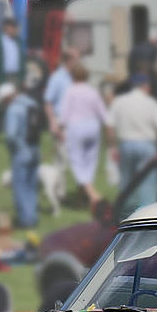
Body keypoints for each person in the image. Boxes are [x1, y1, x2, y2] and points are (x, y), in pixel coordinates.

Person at [105, 72, 157, 207]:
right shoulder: (151, 103)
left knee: (126, 182)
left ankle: (125, 210)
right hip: (147, 145)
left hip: (126, 144)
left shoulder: (119, 102)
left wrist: (112, 146)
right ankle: (146, 213)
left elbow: (109, 127)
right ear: (145, 86)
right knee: (147, 182)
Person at [56, 62, 107, 209]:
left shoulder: (70, 91)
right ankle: (83, 199)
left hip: (76, 127)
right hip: (93, 126)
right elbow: (103, 113)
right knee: (90, 161)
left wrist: (59, 128)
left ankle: (94, 196)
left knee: (77, 162)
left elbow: (64, 114)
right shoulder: (92, 91)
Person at [4, 81, 44, 228]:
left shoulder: (13, 109)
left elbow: (10, 135)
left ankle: (25, 220)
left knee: (20, 186)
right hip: (35, 150)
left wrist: (14, 149)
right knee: (31, 185)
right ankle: (32, 217)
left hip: (21, 153)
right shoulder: (31, 103)